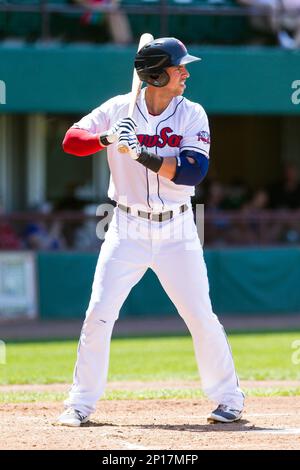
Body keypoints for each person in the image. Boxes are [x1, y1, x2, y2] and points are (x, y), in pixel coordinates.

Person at [57, 37, 244, 427]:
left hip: (178, 228)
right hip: (125, 226)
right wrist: (107, 138)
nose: (186, 73)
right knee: (99, 314)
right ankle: (80, 403)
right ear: (157, 74)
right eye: (179, 68)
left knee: (200, 316)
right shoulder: (116, 109)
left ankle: (229, 399)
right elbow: (71, 142)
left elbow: (193, 171)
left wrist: (142, 153)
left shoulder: (192, 114)